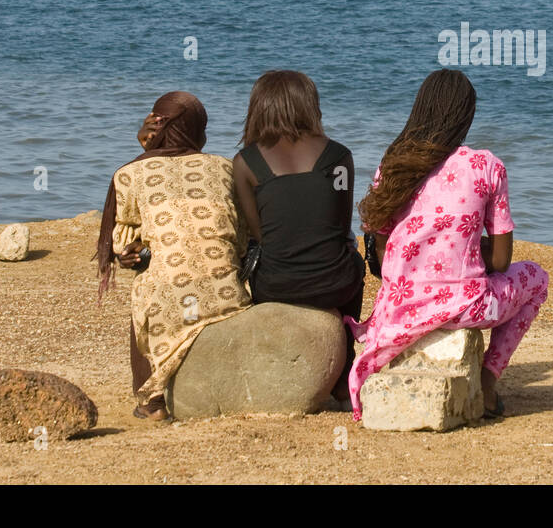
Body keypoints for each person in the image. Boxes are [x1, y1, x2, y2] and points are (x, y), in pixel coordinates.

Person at [348, 69, 548, 421]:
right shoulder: (486, 166)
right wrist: (465, 248)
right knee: (537, 278)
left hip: (402, 306)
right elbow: (502, 261)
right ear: (466, 116)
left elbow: (381, 254)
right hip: (466, 305)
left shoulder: (393, 164)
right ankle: (487, 380)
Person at [94, 91, 250, 420]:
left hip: (172, 305)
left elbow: (124, 243)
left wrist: (149, 151)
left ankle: (151, 402)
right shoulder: (223, 166)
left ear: (155, 127)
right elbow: (241, 237)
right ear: (197, 131)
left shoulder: (129, 174)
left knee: (145, 288)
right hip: (230, 298)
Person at [232, 70, 364, 406]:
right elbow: (338, 225)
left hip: (275, 284)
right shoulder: (338, 157)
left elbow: (260, 234)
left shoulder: (246, 163)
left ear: (259, 108)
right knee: (354, 259)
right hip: (335, 283)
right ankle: (344, 372)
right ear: (310, 106)